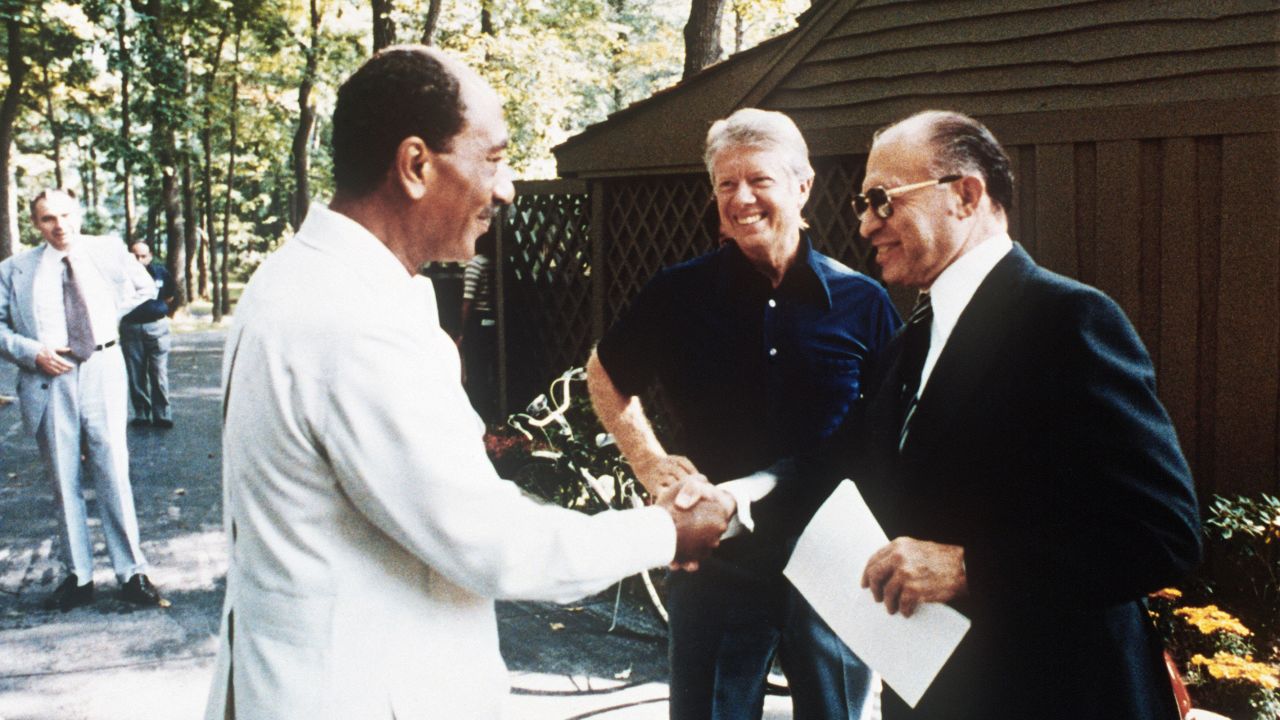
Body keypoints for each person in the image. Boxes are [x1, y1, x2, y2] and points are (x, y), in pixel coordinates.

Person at [203, 45, 735, 720]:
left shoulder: (294, 280)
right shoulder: (354, 320)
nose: (505, 188)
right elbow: (489, 543)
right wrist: (666, 532)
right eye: (493, 159)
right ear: (416, 165)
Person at [780, 109, 1202, 719]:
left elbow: (1163, 533)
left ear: (966, 195)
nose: (867, 224)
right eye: (863, 205)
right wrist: (727, 504)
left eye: (882, 200)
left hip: (1060, 698)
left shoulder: (1068, 320)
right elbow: (836, 469)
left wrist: (969, 568)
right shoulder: (906, 345)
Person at [587, 108, 900, 720]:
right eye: (726, 184)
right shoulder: (678, 293)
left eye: (759, 180)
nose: (741, 198)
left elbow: (890, 430)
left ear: (802, 186)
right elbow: (605, 372)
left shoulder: (863, 302)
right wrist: (650, 462)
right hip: (717, 562)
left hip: (834, 559)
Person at [0, 188, 166, 610]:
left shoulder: (106, 251)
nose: (60, 226)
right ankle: (79, 576)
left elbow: (144, 287)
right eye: (48, 219)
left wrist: (107, 318)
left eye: (66, 215)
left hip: (102, 367)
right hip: (49, 377)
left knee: (113, 471)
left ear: (78, 214)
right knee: (63, 478)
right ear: (36, 224)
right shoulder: (15, 269)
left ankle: (132, 572)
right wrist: (32, 351)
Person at [120, 241, 175, 428]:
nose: (139, 260)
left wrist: (155, 309)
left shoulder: (160, 273)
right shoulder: (121, 275)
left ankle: (162, 414)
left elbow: (169, 296)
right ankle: (141, 412)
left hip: (156, 327)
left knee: (158, 372)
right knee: (135, 372)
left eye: (143, 256)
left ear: (150, 256)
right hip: (131, 328)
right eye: (135, 256)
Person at [457, 229, 498, 421]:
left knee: (475, 367)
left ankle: (478, 410)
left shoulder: (475, 264)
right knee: (490, 365)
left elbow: (468, 300)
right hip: (493, 319)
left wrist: (462, 329)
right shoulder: (494, 263)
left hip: (478, 320)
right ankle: (491, 408)